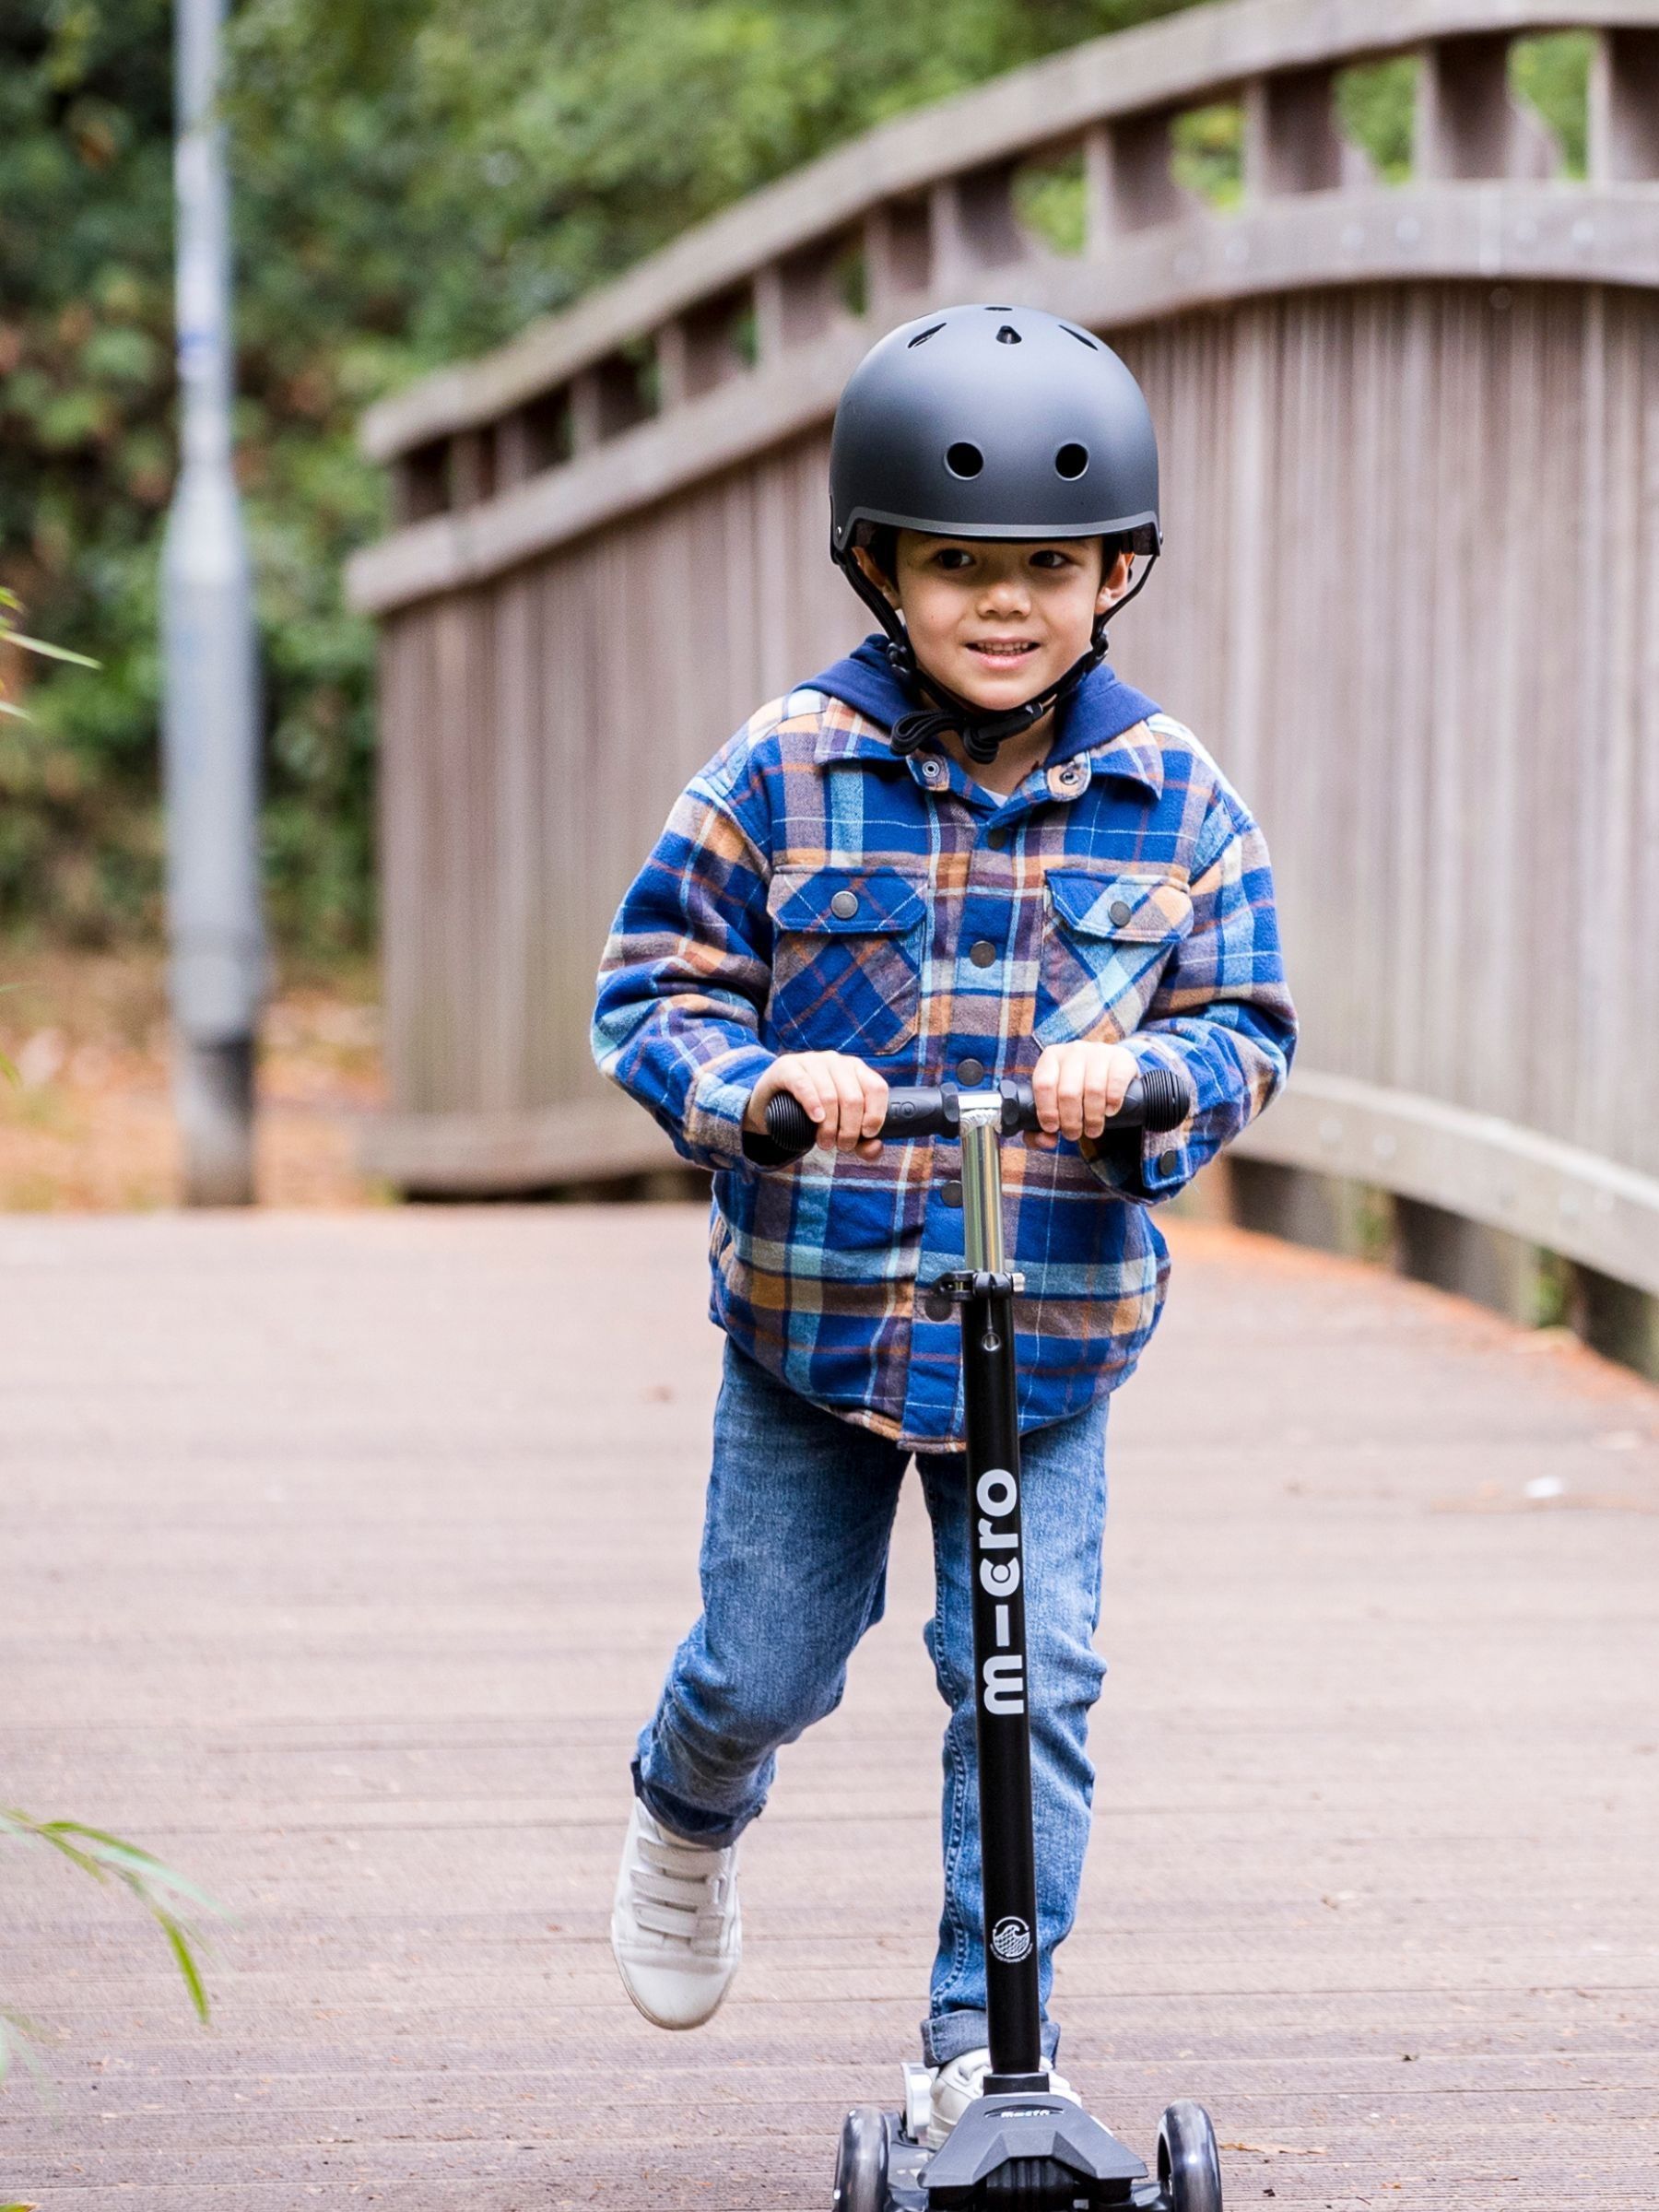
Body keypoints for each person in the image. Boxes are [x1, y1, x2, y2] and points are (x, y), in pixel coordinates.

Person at [590, 302, 1297, 2145]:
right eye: (959, 566)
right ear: (879, 568)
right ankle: (684, 1803)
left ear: (1117, 570)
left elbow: (1248, 1027)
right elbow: (655, 987)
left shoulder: (1177, 801)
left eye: (1049, 567)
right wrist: (757, 1084)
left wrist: (1150, 1080)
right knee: (766, 1658)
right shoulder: (784, 767)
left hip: (1045, 1332)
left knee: (1028, 1679)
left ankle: (989, 2049)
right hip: (818, 1323)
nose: (1006, 605)